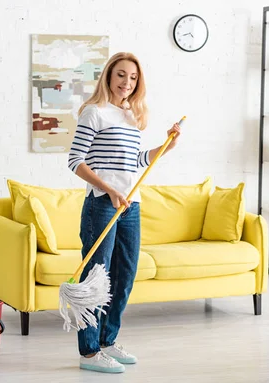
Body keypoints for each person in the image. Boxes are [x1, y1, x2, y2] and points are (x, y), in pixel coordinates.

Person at [67, 52, 181, 373]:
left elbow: (137, 161)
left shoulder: (131, 116)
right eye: (121, 75)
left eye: (132, 78)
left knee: (125, 275)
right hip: (103, 203)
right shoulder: (94, 113)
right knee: (96, 279)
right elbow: (75, 161)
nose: (126, 83)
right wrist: (110, 189)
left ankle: (107, 340)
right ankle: (88, 352)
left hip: (131, 204)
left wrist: (166, 146)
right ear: (108, 76)